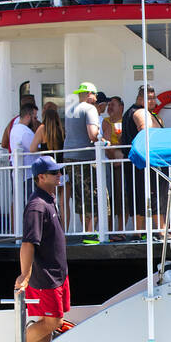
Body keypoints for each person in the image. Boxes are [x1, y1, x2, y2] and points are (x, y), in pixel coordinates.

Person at [15, 156, 70, 342]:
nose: (59, 175)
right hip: (45, 277)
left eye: (59, 171)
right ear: (41, 177)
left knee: (47, 322)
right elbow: (28, 243)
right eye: (54, 172)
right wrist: (25, 276)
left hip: (57, 274)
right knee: (54, 322)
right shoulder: (37, 206)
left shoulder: (49, 200)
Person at [124, 86, 168, 231]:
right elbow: (144, 130)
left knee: (139, 195)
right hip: (148, 161)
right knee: (154, 195)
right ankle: (161, 230)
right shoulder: (140, 112)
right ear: (140, 99)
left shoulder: (132, 113)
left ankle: (139, 231)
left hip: (137, 161)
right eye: (149, 98)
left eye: (154, 97)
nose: (153, 101)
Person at [63, 82, 102, 232]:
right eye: (95, 95)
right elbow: (93, 134)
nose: (96, 98)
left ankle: (86, 231)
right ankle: (92, 233)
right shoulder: (90, 108)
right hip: (85, 158)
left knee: (80, 198)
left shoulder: (70, 109)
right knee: (95, 196)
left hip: (68, 158)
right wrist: (104, 142)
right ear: (90, 94)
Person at [101, 96, 130, 229]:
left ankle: (120, 230)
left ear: (121, 108)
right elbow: (105, 143)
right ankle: (111, 230)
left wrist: (119, 142)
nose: (110, 107)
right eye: (109, 105)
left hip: (122, 164)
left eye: (113, 104)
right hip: (109, 163)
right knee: (110, 198)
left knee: (122, 197)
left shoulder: (127, 121)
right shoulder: (105, 122)